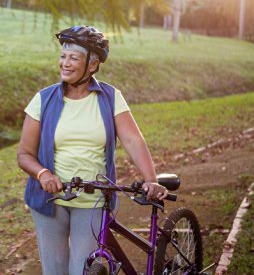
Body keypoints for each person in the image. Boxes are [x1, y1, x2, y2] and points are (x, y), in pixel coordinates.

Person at [17, 25, 169, 275]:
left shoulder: (110, 97)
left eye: (73, 58)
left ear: (93, 65)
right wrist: (43, 174)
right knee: (54, 270)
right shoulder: (43, 100)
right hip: (50, 199)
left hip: (94, 200)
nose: (65, 63)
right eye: (63, 56)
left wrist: (151, 179)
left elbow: (133, 140)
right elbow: (24, 154)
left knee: (83, 270)